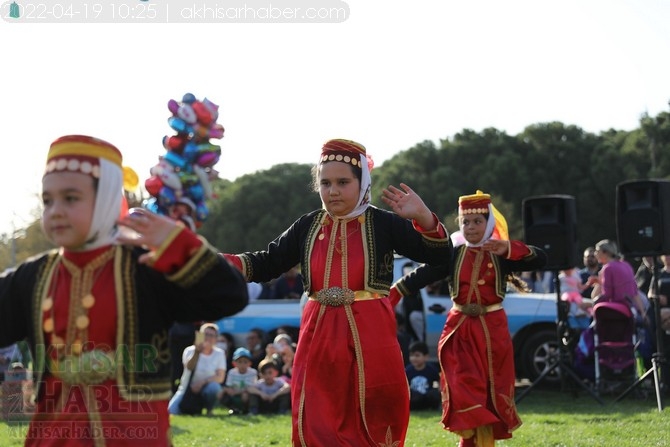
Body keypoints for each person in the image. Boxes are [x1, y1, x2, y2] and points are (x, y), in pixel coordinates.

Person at [0, 134, 249, 446]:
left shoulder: (145, 266)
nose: (56, 210)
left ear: (105, 199)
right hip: (54, 435)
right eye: (48, 200)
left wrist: (180, 245)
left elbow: (230, 295)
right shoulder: (33, 275)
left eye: (71, 198)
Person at [221, 138, 452, 446]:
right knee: (318, 417)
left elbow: (441, 257)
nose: (332, 191)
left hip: (371, 336)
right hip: (319, 336)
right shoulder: (308, 225)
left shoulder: (384, 223)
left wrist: (424, 219)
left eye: (343, 182)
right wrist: (216, 262)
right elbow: (267, 263)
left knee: (373, 412)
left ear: (362, 183)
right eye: (325, 182)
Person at [391, 190, 547, 447]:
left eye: (477, 221)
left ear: (489, 223)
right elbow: (424, 274)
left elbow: (541, 259)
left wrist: (508, 248)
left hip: (492, 332)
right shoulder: (453, 254)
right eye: (465, 222)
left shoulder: (501, 254)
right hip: (459, 330)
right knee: (461, 383)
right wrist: (395, 292)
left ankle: (477, 442)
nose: (471, 227)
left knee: (488, 391)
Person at [168, 322, 227, 416]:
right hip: (187, 389)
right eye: (206, 334)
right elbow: (189, 367)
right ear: (199, 335)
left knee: (214, 388)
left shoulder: (219, 353)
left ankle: (209, 409)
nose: (208, 338)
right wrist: (197, 352)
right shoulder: (189, 350)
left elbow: (220, 377)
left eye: (212, 335)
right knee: (171, 411)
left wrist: (202, 383)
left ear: (216, 339)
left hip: (206, 388)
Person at [591, 239, 647, 321]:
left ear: (605, 252)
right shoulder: (626, 265)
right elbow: (634, 292)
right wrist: (642, 313)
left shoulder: (607, 268)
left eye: (597, 251)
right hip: (632, 310)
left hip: (617, 313)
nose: (595, 254)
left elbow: (606, 295)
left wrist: (600, 282)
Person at [220, 347, 258, 415]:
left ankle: (247, 409)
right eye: (239, 362)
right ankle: (234, 409)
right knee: (221, 393)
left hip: (245, 394)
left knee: (245, 395)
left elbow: (251, 388)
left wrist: (237, 392)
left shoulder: (253, 372)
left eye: (245, 362)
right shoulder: (231, 372)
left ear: (250, 363)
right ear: (234, 363)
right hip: (234, 393)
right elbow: (229, 386)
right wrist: (228, 390)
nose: (242, 364)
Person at [405, 341, 441, 411]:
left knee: (434, 393)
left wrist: (439, 391)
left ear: (426, 357)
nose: (414, 358)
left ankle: (433, 407)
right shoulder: (408, 370)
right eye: (411, 355)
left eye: (417, 355)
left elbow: (439, 381)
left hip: (426, 397)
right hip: (414, 399)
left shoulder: (432, 369)